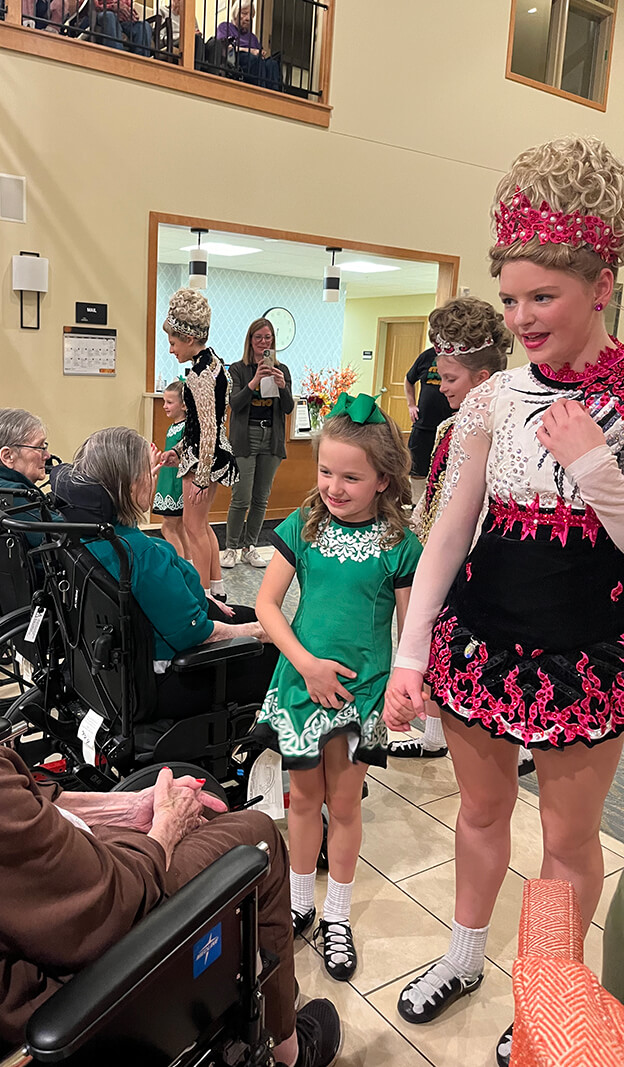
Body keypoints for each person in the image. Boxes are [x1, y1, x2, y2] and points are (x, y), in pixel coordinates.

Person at [0, 490, 340, 1067]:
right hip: (44, 1004)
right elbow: (113, 906)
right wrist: (162, 830)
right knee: (253, 838)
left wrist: (116, 810)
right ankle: (285, 1050)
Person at [383, 136, 624, 1067]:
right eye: (512, 297)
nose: (521, 318)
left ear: (600, 284)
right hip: (480, 640)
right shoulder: (487, 403)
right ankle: (464, 954)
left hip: (587, 654)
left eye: (543, 297)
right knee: (479, 816)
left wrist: (595, 466)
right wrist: (410, 653)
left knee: (566, 846)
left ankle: (553, 1004)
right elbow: (448, 531)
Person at [254, 394, 422, 983]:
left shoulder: (400, 543)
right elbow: (267, 605)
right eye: (326, 471)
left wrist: (410, 685)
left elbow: (410, 626)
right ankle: (300, 902)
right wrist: (306, 664)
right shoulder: (302, 527)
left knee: (343, 805)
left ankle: (338, 916)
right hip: (302, 686)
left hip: (363, 693)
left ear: (383, 479)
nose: (334, 485)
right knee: (302, 800)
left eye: (351, 476)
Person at [51, 426, 280, 721]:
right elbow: (195, 634)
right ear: (130, 485)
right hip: (165, 678)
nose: (156, 478)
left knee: (243, 613)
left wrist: (210, 606)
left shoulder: (88, 539)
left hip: (116, 671)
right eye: (150, 471)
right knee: (273, 646)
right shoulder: (143, 556)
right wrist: (260, 633)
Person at [388, 298, 510, 762]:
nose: (441, 389)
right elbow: (438, 496)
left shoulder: (498, 428)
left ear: (483, 378)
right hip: (443, 548)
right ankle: (437, 733)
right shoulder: (450, 427)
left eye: (450, 380)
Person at [160, 288, 238, 602]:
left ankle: (202, 593)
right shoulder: (214, 364)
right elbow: (204, 426)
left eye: (173, 343)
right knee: (202, 525)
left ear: (189, 339)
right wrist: (177, 452)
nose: (170, 349)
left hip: (206, 458)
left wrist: (202, 475)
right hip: (209, 453)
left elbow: (206, 429)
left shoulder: (201, 374)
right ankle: (216, 586)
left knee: (193, 527)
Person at [223, 318, 294, 570]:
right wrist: (254, 382)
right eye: (259, 338)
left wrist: (283, 387)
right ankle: (231, 547)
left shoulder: (282, 369)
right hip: (245, 437)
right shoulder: (237, 369)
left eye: (268, 338)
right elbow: (235, 404)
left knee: (261, 498)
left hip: (270, 438)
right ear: (250, 340)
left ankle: (249, 547)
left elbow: (287, 408)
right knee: (241, 497)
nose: (264, 342)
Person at [0, 408, 61, 546]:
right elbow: (65, 539)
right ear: (8, 456)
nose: (47, 455)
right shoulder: (14, 497)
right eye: (39, 447)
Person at [152, 380, 189, 559]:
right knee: (179, 526)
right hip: (169, 481)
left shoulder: (186, 429)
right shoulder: (173, 427)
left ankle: (181, 564)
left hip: (176, 484)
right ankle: (188, 563)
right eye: (164, 402)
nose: (165, 406)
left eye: (169, 402)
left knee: (168, 526)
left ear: (183, 405)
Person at [404, 346, 453, 478]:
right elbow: (409, 380)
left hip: (449, 427)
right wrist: (411, 405)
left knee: (442, 474)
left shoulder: (459, 355)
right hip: (423, 424)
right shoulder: (426, 356)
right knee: (416, 472)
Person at [216, 0, 281, 90]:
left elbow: (258, 54)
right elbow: (225, 47)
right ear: (235, 13)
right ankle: (259, 91)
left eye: (250, 15)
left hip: (255, 64)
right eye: (244, 13)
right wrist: (250, 51)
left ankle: (274, 95)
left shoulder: (252, 37)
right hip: (237, 61)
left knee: (272, 64)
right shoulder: (225, 27)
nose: (248, 18)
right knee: (254, 60)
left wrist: (260, 53)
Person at [157, 0, 204, 65]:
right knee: (195, 39)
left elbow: (196, 33)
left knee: (211, 43)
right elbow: (159, 35)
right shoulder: (163, 11)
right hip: (172, 41)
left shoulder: (190, 16)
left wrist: (195, 34)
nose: (182, 2)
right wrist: (183, 36)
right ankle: (194, 70)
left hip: (189, 41)